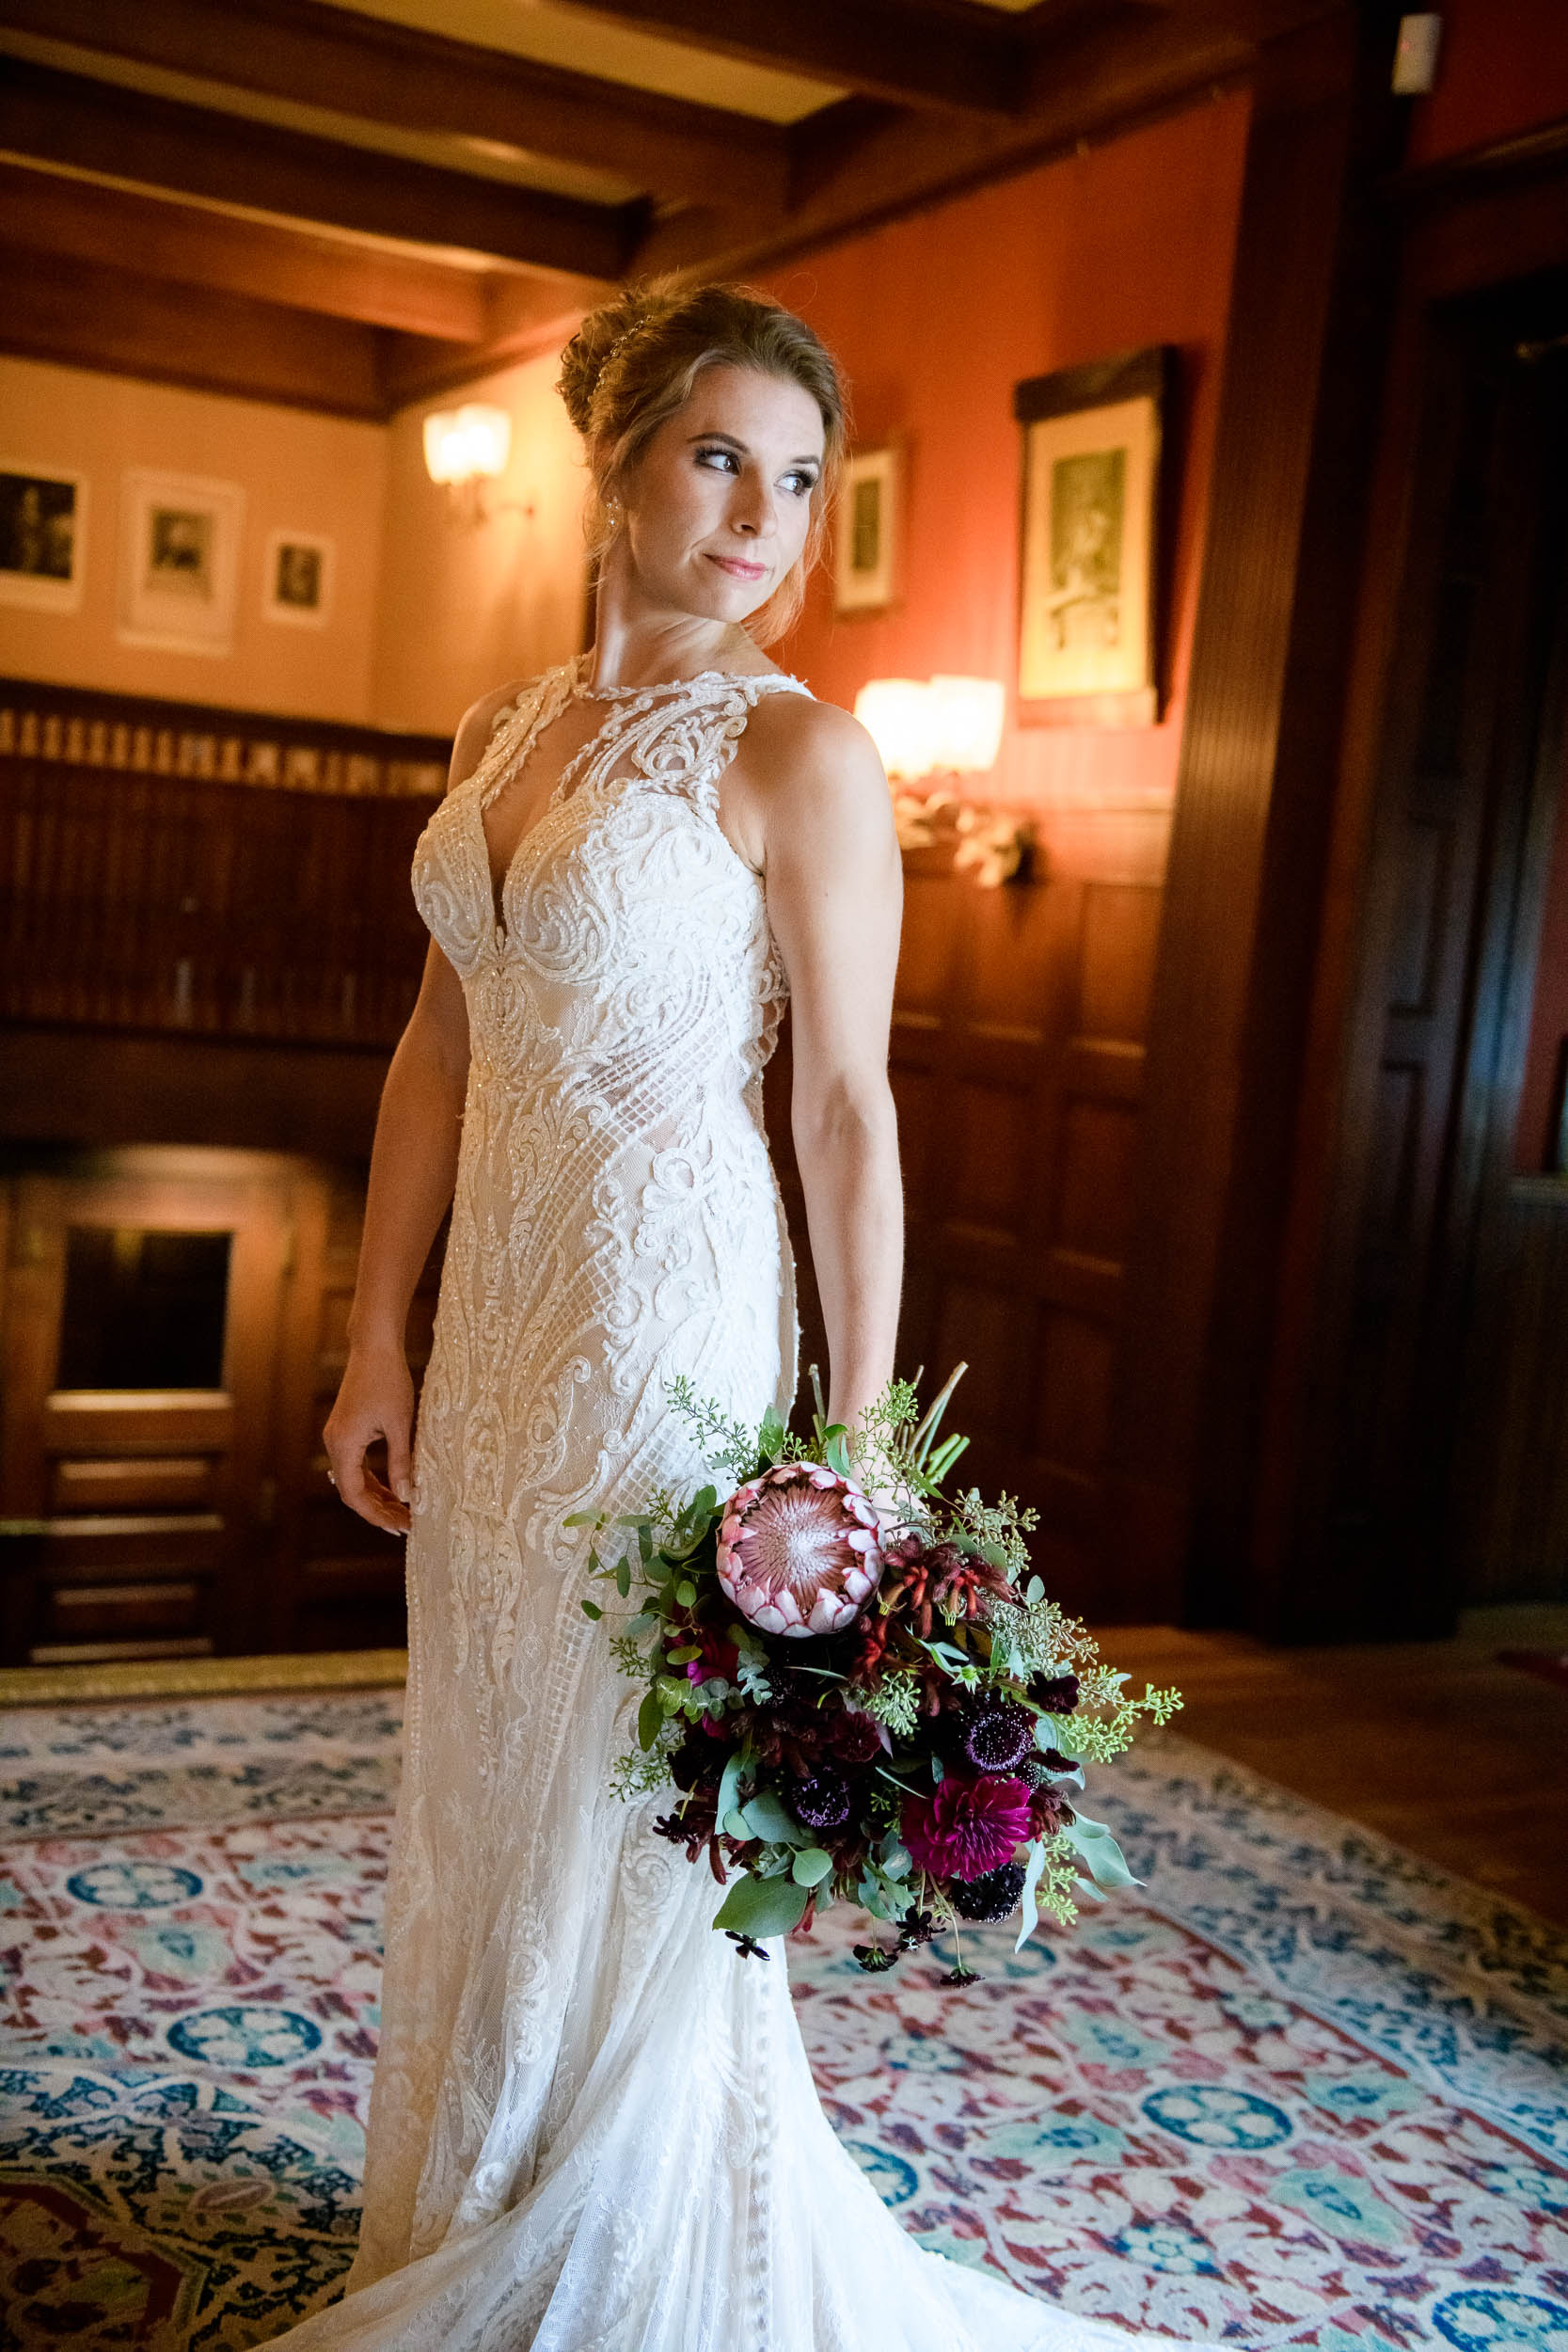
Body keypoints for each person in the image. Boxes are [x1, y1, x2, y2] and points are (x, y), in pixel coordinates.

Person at [277, 282, 1133, 2350]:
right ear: (624, 461)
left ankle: (631, 2240)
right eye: (721, 456)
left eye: (805, 476)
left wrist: (855, 1432)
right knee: (493, 1749)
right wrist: (375, 1330)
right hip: (497, 1324)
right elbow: (431, 1055)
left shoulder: (797, 750)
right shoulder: (496, 731)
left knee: (620, 1778)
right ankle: (475, 2182)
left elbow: (846, 1103)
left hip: (670, 1327)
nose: (766, 511)